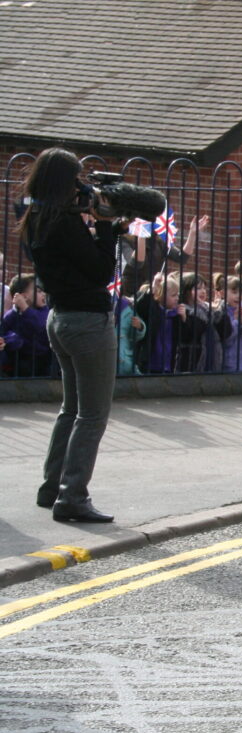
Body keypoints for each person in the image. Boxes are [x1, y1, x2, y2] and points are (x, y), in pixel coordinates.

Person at [21, 147, 120, 522]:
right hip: (87, 322)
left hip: (60, 318)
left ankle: (52, 487)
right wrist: (107, 226)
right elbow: (99, 272)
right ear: (64, 182)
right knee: (92, 415)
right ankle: (73, 496)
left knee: (72, 410)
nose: (82, 184)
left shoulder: (37, 218)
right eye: (77, 177)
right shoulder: (64, 222)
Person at [2, 274, 53, 376]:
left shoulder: (45, 311)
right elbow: (3, 331)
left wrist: (25, 308)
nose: (44, 294)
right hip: (21, 359)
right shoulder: (11, 315)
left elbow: (39, 325)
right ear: (24, 297)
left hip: (44, 359)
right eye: (39, 291)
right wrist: (8, 340)